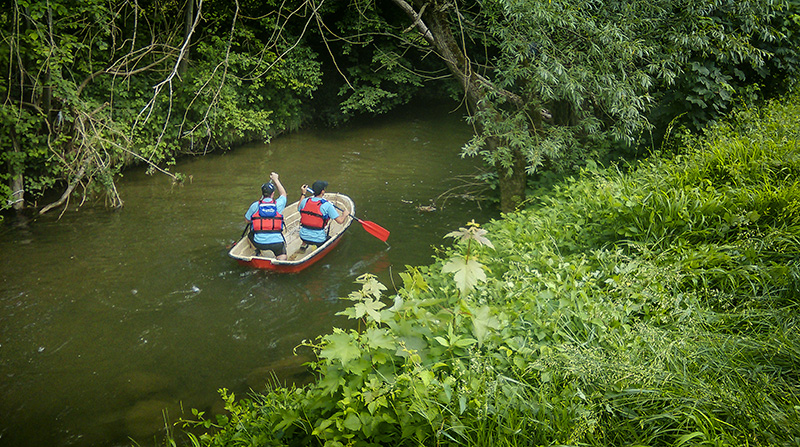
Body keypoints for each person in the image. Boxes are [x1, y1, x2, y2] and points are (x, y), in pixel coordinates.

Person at [245, 172, 288, 259]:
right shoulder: (278, 205)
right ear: (273, 194)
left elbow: (247, 220)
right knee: (282, 255)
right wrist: (276, 179)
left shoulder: (255, 205)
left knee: (249, 234)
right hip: (277, 243)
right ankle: (281, 260)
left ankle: (257, 251)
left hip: (259, 243)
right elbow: (283, 194)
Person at [297, 180, 350, 248]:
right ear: (322, 191)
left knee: (309, 223)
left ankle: (304, 244)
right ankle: (316, 247)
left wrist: (303, 194)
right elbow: (340, 221)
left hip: (303, 236)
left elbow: (298, 208)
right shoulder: (327, 205)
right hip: (319, 240)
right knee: (329, 239)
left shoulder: (305, 201)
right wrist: (344, 214)